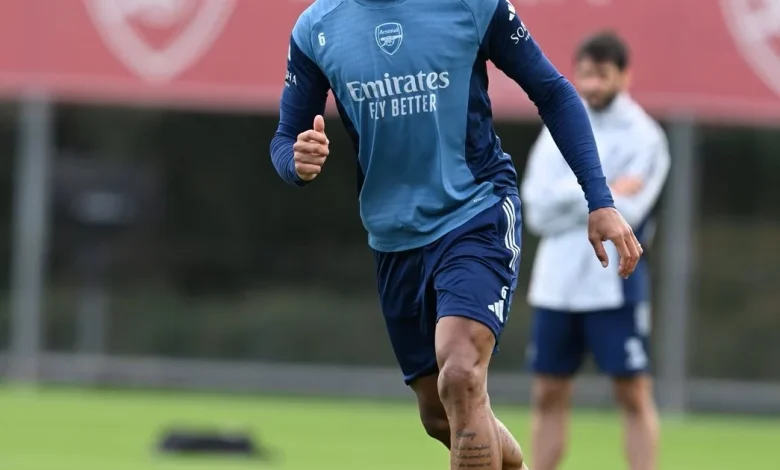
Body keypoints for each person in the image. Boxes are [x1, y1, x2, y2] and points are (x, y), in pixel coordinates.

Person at [270, 0, 642, 468]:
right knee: (440, 414)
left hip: (476, 213)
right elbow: (286, 138)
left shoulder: (473, 5)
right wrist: (297, 163)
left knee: (461, 372)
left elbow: (552, 91)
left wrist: (599, 198)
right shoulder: (316, 26)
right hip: (394, 240)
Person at [521, 31, 670, 470]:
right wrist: (599, 194)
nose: (590, 85)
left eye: (601, 75)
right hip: (556, 284)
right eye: (583, 74)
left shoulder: (646, 137)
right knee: (548, 391)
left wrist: (576, 197)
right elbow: (536, 211)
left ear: (624, 75)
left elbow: (634, 210)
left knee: (632, 392)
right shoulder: (560, 128)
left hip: (613, 285)